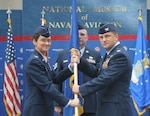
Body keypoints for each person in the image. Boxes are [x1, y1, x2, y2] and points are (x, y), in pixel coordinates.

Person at [72, 23, 134, 116]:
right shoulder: (110, 54)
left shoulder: (120, 55)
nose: (104, 40)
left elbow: (105, 79)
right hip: (107, 107)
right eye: (101, 37)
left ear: (116, 37)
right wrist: (80, 61)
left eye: (107, 36)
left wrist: (81, 88)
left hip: (116, 109)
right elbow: (97, 72)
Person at [23, 26, 80, 116]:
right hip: (36, 111)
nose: (46, 43)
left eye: (48, 40)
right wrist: (69, 102)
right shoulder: (34, 62)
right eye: (43, 40)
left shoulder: (42, 60)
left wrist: (71, 67)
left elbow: (55, 78)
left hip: (44, 109)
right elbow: (47, 87)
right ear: (34, 41)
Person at [54, 22, 101, 116]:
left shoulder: (95, 55)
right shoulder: (62, 54)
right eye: (76, 34)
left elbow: (98, 76)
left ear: (87, 37)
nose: (79, 37)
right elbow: (57, 80)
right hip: (68, 102)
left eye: (82, 34)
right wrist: (57, 103)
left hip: (89, 104)